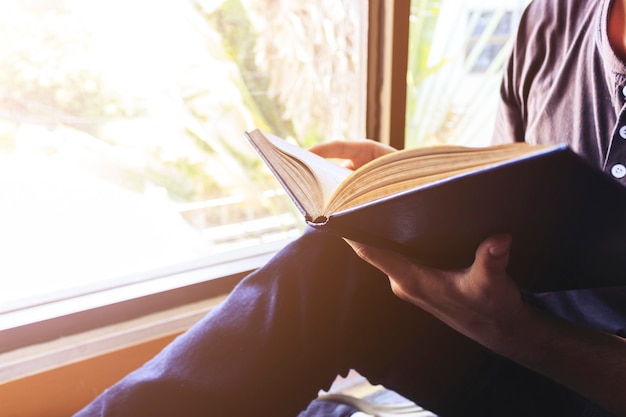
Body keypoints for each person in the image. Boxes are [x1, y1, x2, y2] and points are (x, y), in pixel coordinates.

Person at [75, 0, 626, 415]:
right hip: (510, 343)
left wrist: (520, 332)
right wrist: (423, 203)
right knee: (339, 264)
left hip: (589, 378)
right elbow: (517, 213)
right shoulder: (555, 19)